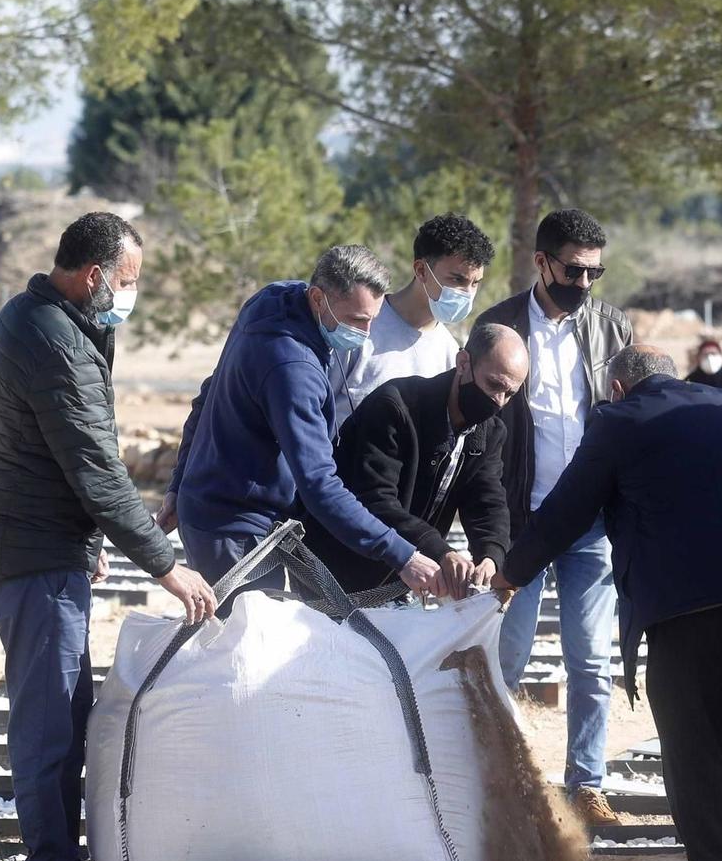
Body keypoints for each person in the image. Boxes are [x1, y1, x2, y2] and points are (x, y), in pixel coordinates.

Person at [497, 346, 722, 861]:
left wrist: (510, 573)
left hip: (692, 605)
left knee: (692, 740)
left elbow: (566, 510)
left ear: (619, 388)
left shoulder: (618, 419)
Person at [0, 211, 217, 861]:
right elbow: (95, 468)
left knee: (64, 713)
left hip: (46, 547)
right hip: (31, 557)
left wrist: (91, 541)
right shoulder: (50, 339)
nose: (128, 297)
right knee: (50, 724)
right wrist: (166, 564)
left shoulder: (48, 324)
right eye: (127, 282)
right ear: (94, 275)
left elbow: (62, 461)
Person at [161, 246, 444, 601]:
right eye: (356, 319)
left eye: (373, 318)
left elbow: (208, 395)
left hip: (218, 507)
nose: (366, 332)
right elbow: (319, 484)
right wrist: (402, 556)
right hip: (234, 526)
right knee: (250, 651)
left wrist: (178, 483)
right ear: (317, 298)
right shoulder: (293, 371)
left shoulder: (273, 299)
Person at [476, 208, 633, 826]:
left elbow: (628, 415)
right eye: (575, 269)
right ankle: (503, 783)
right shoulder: (498, 326)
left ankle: (586, 785)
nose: (586, 282)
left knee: (591, 659)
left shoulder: (610, 326)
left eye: (597, 271)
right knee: (506, 658)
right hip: (520, 521)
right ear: (542, 262)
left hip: (590, 521)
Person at [305, 323, 528, 597]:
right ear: (463, 363)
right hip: (332, 570)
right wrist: (439, 551)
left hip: (398, 581)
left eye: (510, 394)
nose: (499, 400)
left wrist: (490, 556)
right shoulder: (396, 407)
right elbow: (376, 499)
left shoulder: (491, 432)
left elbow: (488, 502)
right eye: (493, 384)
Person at [330, 213, 494, 432]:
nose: (467, 293)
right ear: (421, 270)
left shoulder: (451, 355)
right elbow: (315, 413)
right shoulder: (358, 329)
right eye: (457, 279)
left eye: (476, 283)